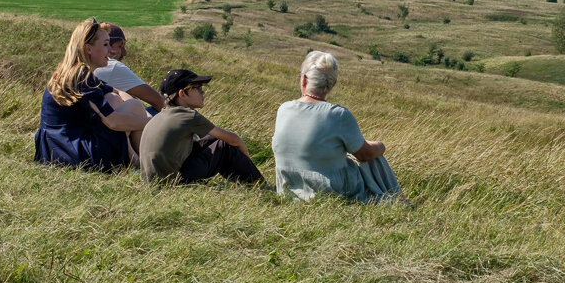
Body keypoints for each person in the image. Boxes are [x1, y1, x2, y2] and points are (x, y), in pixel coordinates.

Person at [271, 51, 401, 203]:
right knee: (375, 158)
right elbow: (365, 155)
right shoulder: (338, 115)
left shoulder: (284, 109)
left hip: (287, 191)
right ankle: (396, 199)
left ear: (304, 80)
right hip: (329, 192)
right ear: (332, 83)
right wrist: (380, 146)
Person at [34, 18, 151, 170]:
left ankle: (139, 163)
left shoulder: (74, 72)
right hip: (77, 154)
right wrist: (153, 123)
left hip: (55, 149)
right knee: (133, 106)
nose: (110, 50)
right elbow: (113, 122)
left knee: (120, 100)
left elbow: (114, 92)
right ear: (88, 49)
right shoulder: (82, 77)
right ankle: (145, 165)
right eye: (105, 44)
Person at [139, 69, 264, 185]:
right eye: (197, 88)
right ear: (182, 94)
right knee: (224, 146)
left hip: (153, 181)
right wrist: (247, 160)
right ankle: (260, 185)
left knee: (214, 140)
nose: (203, 92)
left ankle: (243, 180)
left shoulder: (161, 115)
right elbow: (234, 139)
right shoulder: (188, 115)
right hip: (173, 182)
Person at [92, 23, 166, 111]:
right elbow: (160, 103)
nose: (124, 53)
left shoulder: (81, 70)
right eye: (120, 46)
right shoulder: (112, 66)